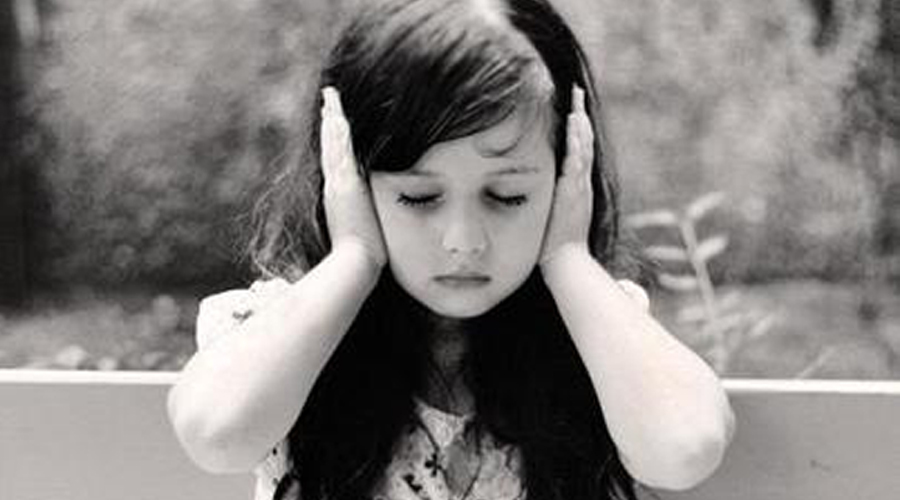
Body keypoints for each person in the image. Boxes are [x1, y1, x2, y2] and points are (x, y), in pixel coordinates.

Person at [167, 1, 736, 499]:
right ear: (349, 180)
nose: (463, 240)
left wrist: (567, 259)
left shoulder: (595, 329)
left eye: (507, 196)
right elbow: (216, 435)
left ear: (568, 179)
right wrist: (354, 257)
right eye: (419, 197)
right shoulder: (288, 327)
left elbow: (684, 449)